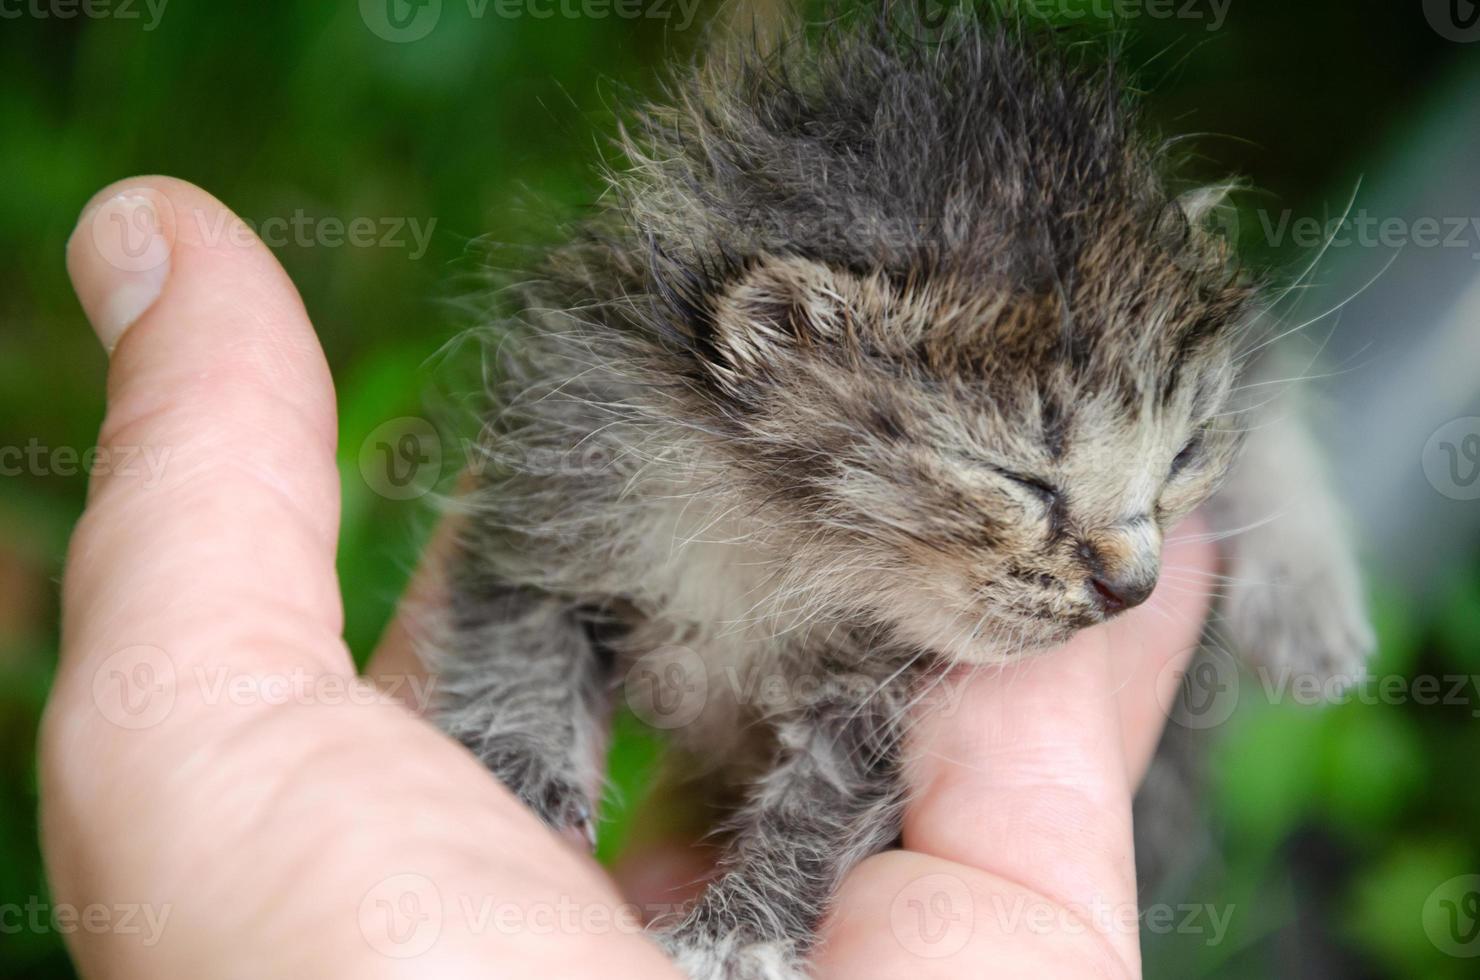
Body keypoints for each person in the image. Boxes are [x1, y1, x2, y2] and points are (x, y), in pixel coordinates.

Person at [42, 176, 1216, 979]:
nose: (1134, 568)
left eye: (1169, 471)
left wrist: (751, 933)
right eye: (1023, 478)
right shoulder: (611, 440)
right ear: (780, 341)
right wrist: (500, 798)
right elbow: (527, 564)